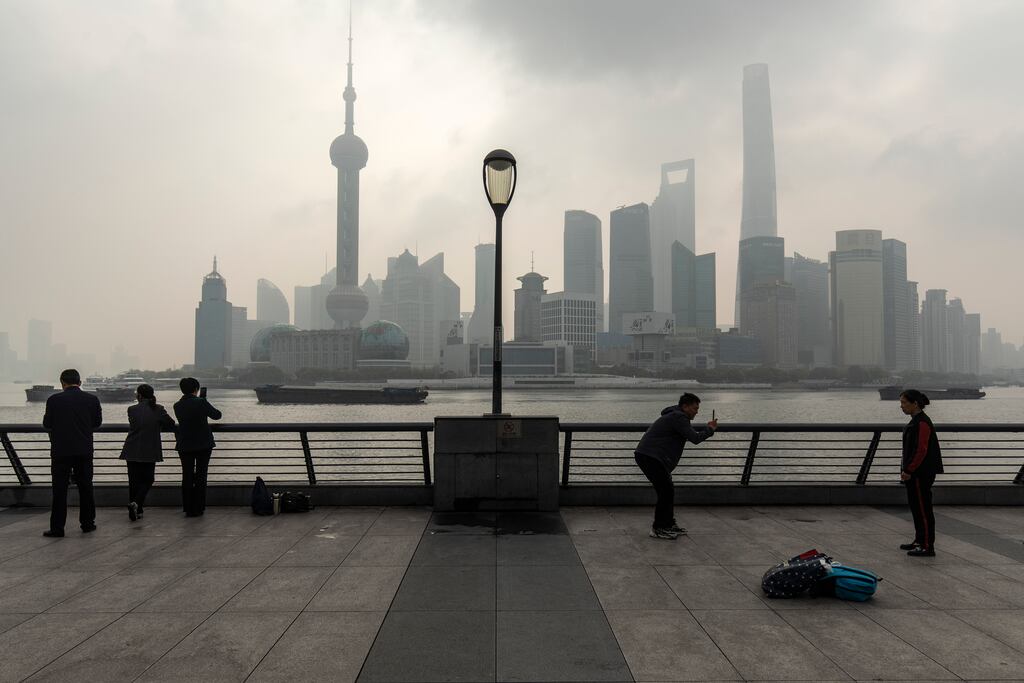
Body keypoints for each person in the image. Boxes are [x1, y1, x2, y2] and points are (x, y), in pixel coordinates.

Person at [634, 393, 717, 540]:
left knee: (667, 491)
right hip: (651, 457)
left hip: (650, 456)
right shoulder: (679, 417)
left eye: (697, 409)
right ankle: (658, 528)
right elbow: (695, 438)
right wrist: (710, 429)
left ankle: (668, 524)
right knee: (665, 491)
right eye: (695, 408)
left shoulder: (675, 416)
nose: (696, 412)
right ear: (685, 406)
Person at [41, 368, 102, 537]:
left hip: (61, 451)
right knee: (86, 487)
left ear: (62, 383)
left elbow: (47, 424)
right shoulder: (92, 399)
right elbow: (97, 423)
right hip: (84, 450)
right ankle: (87, 523)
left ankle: (57, 527)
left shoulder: (54, 400)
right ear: (80, 382)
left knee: (59, 490)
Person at [119, 384, 175, 521]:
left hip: (131, 448)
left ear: (139, 395)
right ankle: (136, 504)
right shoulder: (158, 409)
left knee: (133, 481)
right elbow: (170, 423)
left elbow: (136, 424)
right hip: (149, 449)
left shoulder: (131, 409)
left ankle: (137, 509)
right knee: (148, 479)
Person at [899, 389, 943, 557]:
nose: (901, 406)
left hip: (920, 473)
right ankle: (919, 540)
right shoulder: (916, 421)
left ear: (915, 403)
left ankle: (927, 546)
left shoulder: (922, 422)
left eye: (904, 402)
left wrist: (909, 469)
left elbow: (921, 449)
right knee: (917, 507)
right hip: (915, 472)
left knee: (923, 509)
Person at [173, 377, 222, 517]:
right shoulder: (201, 402)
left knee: (187, 476)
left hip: (184, 444)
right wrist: (204, 400)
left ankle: (188, 507)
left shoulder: (177, 405)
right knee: (201, 475)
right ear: (196, 389)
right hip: (203, 444)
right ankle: (199, 507)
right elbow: (217, 415)